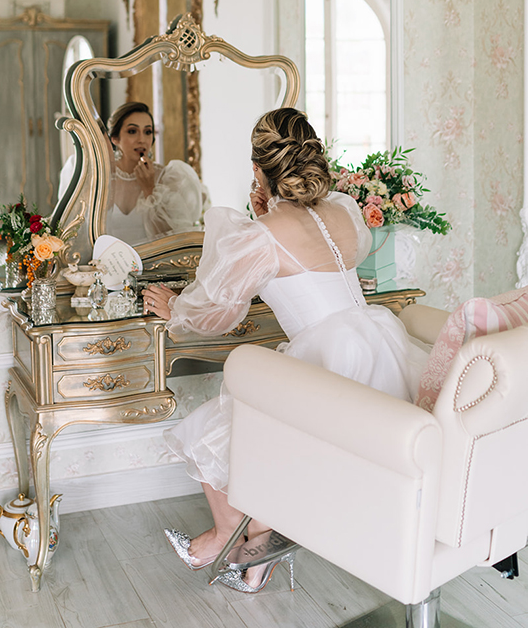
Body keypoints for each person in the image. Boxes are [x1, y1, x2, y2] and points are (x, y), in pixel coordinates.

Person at [142, 107, 429, 593]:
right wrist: (269, 213)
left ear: (258, 169)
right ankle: (254, 551)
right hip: (376, 340)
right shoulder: (343, 211)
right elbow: (327, 256)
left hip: (325, 360)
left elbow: (219, 314)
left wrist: (175, 308)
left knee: (213, 431)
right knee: (258, 433)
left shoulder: (260, 236)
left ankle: (232, 541)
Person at [106, 101, 206, 245]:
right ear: (115, 138)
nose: (142, 140)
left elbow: (172, 241)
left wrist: (149, 190)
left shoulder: (168, 179)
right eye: (132, 131)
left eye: (147, 132)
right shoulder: (101, 177)